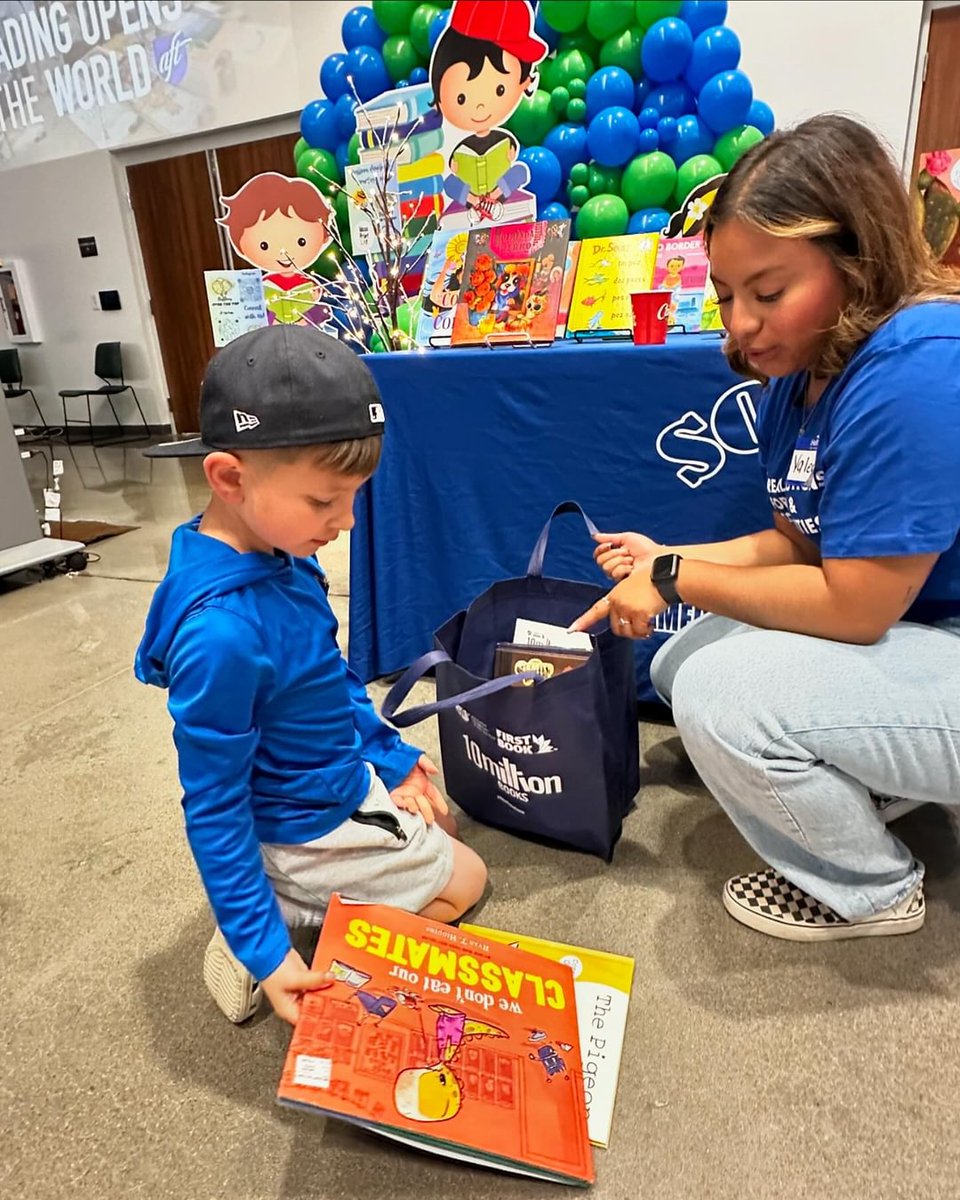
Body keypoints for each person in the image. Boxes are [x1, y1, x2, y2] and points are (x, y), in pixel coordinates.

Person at [571, 114, 960, 942]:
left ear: (856, 258)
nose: (740, 324)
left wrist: (675, 579)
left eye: (768, 293)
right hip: (921, 631)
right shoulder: (807, 364)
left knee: (723, 696)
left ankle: (873, 888)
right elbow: (798, 541)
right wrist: (666, 555)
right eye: (725, 295)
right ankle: (869, 773)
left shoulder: (918, 369)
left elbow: (856, 609)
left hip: (929, 634)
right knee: (681, 661)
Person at [135, 325, 487, 1024]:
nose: (347, 522)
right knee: (468, 880)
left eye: (354, 497)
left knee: (442, 831)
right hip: (302, 819)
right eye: (324, 502)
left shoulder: (273, 548)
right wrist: (273, 957)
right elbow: (213, 804)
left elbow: (325, 678)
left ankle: (276, 902)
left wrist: (390, 758)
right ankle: (276, 925)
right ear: (230, 478)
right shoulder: (223, 637)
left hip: (328, 778)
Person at [430, 0, 547, 224]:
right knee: (449, 185)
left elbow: (518, 174)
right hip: (469, 207)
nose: (481, 108)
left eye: (499, 90)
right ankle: (476, 207)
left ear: (525, 82)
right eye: (461, 98)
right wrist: (473, 198)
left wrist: (494, 196)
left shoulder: (505, 142)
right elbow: (451, 183)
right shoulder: (457, 149)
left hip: (500, 202)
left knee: (519, 172)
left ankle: (487, 206)